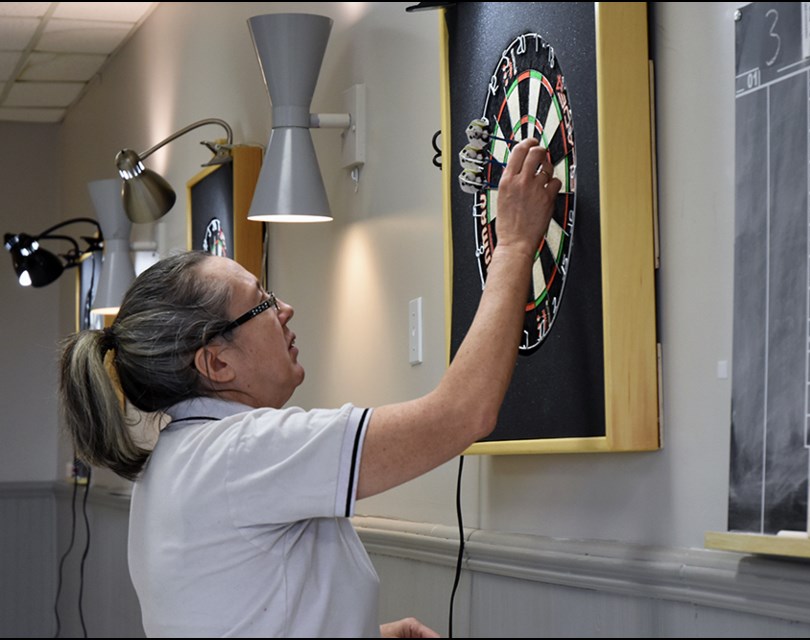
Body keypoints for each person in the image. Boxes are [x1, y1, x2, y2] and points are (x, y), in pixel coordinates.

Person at [58, 138, 561, 638]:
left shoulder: (178, 462)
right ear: (216, 361)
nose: (285, 310)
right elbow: (461, 415)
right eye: (262, 302)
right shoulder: (243, 452)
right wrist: (514, 245)